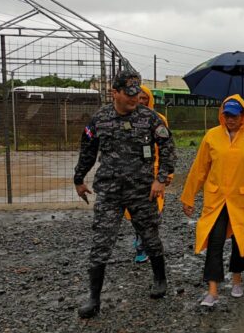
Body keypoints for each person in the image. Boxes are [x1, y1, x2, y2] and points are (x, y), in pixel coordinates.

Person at [74, 71, 176, 319]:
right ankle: (94, 299)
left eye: (137, 93)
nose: (135, 98)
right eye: (129, 94)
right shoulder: (99, 120)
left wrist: (160, 179)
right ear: (115, 93)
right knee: (101, 243)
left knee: (150, 236)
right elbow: (87, 150)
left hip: (142, 192)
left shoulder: (150, 118)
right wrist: (79, 179)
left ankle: (160, 280)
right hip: (110, 193)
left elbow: (168, 148)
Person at [181, 95, 244, 307]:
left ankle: (237, 278)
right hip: (217, 198)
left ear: (243, 116)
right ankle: (212, 290)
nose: (230, 119)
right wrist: (189, 196)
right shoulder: (212, 136)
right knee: (215, 241)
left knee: (240, 239)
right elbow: (199, 169)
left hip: (243, 198)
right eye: (227, 115)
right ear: (222, 115)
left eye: (235, 115)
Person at [127, 85, 174, 263]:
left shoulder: (159, 119)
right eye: (138, 98)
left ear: (149, 100)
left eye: (144, 98)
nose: (141, 101)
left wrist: (167, 174)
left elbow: (167, 148)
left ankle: (146, 244)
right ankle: (141, 241)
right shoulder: (127, 118)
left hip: (155, 175)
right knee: (135, 212)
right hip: (133, 175)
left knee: (154, 212)